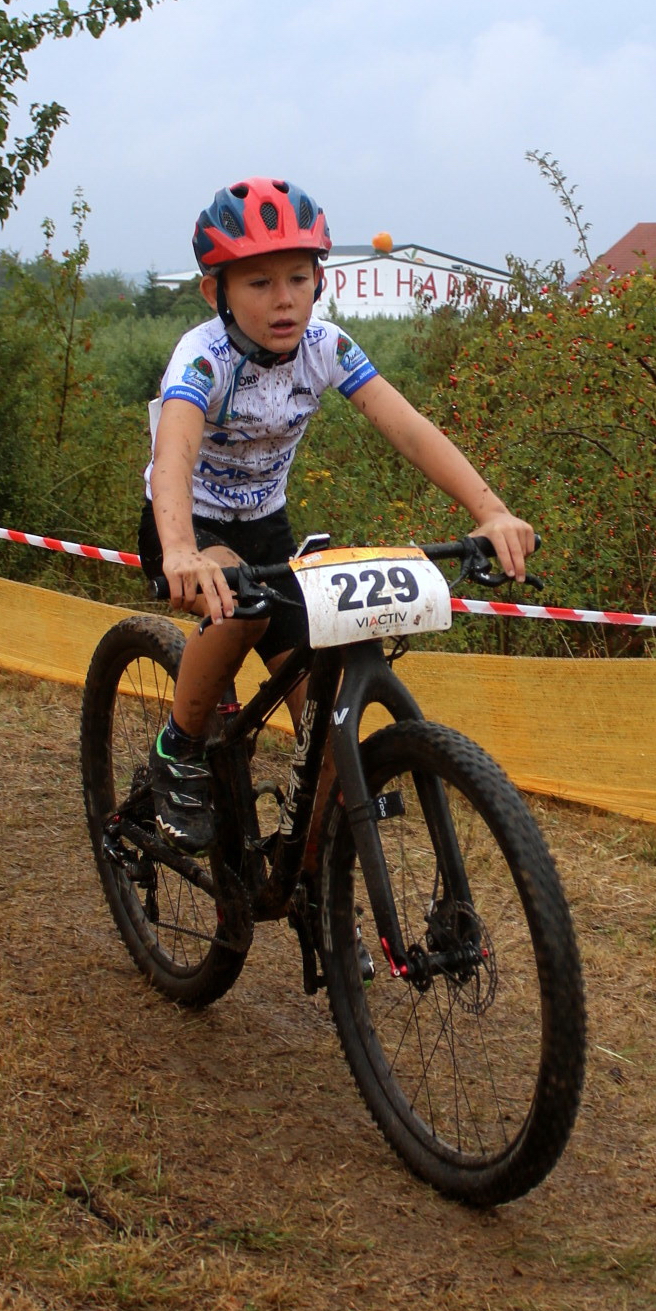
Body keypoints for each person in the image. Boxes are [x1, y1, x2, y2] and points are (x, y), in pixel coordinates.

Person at [141, 178, 534, 850]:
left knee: (322, 736)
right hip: (188, 523)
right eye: (259, 283)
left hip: (267, 528)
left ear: (319, 281)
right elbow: (172, 454)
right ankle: (177, 749)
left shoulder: (326, 346)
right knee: (243, 606)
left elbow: (409, 428)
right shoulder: (203, 357)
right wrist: (180, 549)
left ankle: (311, 881)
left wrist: (490, 511)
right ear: (215, 293)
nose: (284, 298)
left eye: (299, 278)